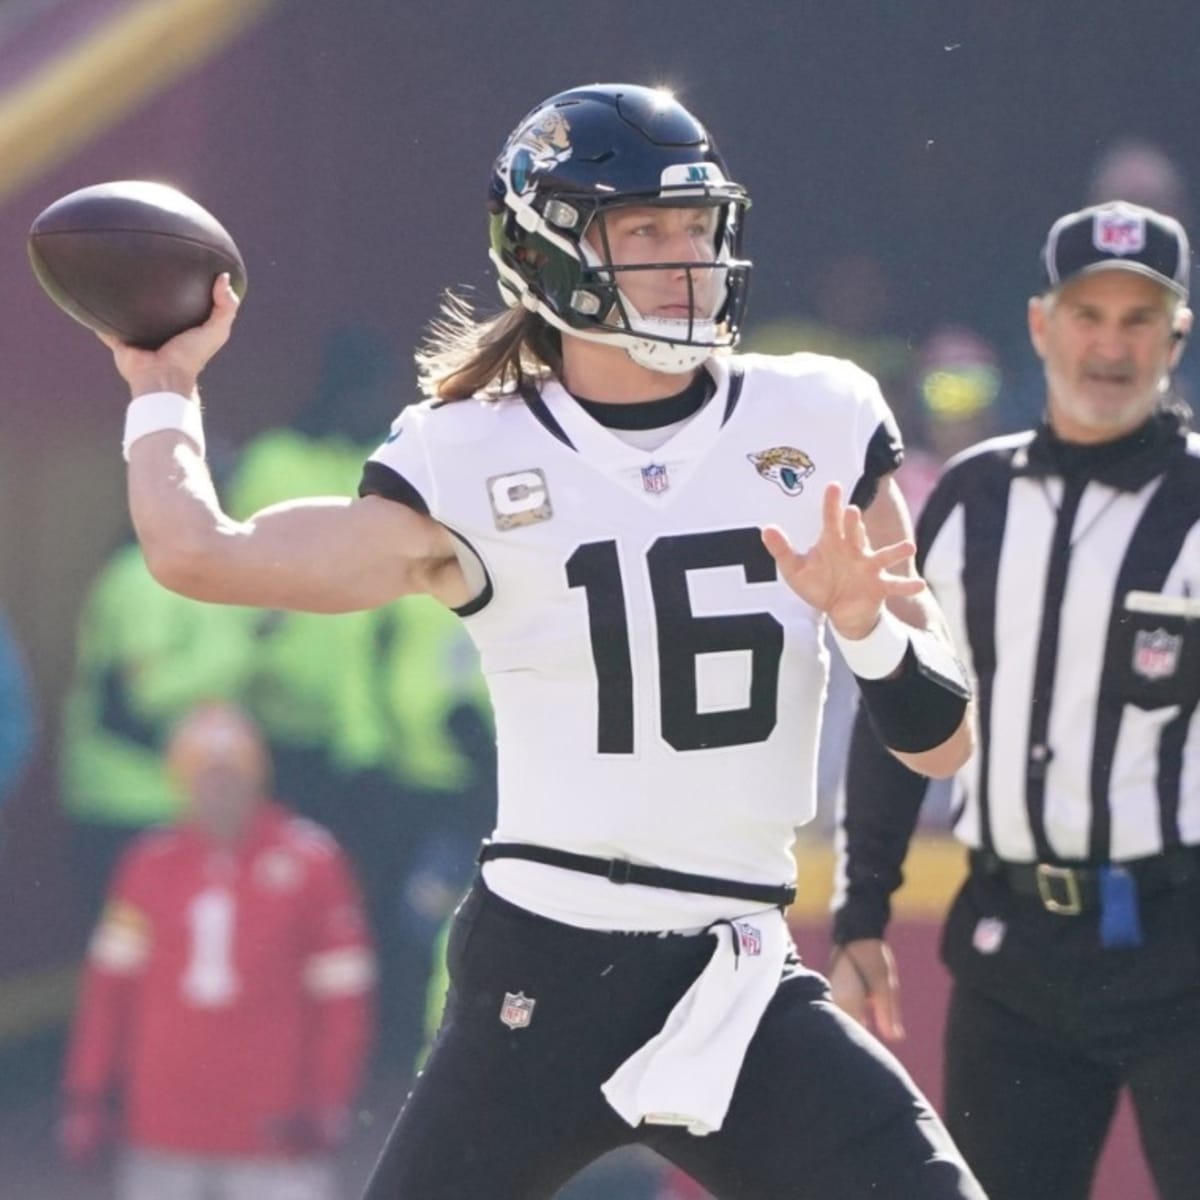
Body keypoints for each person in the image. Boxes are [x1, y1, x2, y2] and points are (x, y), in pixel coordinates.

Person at [98, 83, 982, 1199]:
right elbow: (198, 554)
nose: (686, 257)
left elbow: (942, 744)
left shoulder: (815, 414)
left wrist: (864, 625)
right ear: (550, 253)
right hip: (545, 970)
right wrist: (163, 385)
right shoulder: (467, 453)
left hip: (736, 972)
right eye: (644, 230)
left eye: (696, 223)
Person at [830, 200, 1200, 1200]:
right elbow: (899, 704)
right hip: (1013, 942)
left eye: (1137, 320)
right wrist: (863, 905)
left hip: (1182, 936)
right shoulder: (967, 497)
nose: (1110, 346)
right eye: (1089, 316)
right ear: (1042, 324)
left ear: (1178, 333)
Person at [59, 701, 376, 1200]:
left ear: (257, 778)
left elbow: (343, 1000)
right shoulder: (148, 864)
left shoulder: (311, 863)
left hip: (274, 1123)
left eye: (232, 774)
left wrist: (329, 1096)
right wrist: (88, 1091)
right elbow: (108, 991)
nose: (218, 790)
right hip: (165, 1121)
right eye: (204, 775)